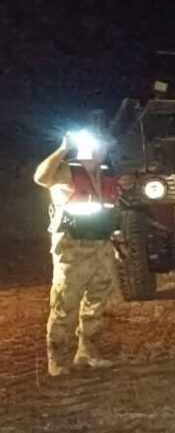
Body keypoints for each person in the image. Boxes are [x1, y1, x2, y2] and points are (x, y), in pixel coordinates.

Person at [32, 129, 131, 376]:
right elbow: (40, 177)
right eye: (96, 145)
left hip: (101, 246)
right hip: (72, 248)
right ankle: (57, 358)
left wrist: (118, 240)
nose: (101, 150)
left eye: (103, 146)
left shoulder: (108, 175)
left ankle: (88, 351)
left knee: (97, 303)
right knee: (65, 303)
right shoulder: (65, 169)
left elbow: (111, 210)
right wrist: (63, 148)